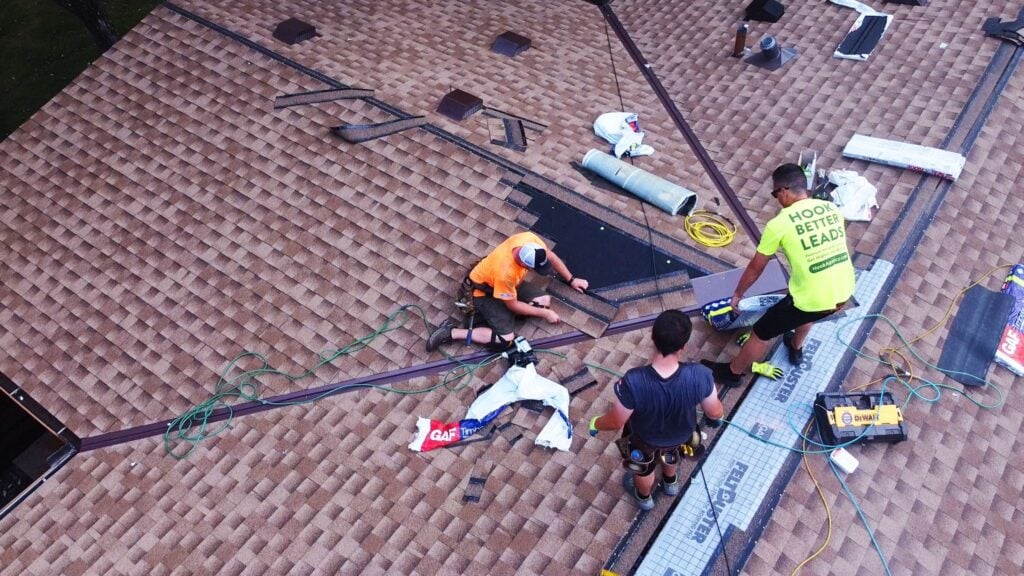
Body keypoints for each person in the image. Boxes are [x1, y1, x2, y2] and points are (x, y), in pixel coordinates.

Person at [702, 163, 856, 387]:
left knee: (762, 332)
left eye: (775, 194)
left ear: (784, 190)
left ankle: (733, 373)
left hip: (811, 297)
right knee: (807, 313)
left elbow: (757, 266)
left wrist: (737, 294)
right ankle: (795, 347)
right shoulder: (831, 209)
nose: (776, 199)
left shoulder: (780, 224)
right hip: (843, 291)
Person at [588, 310, 724, 510]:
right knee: (671, 454)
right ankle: (670, 483)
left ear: (653, 338)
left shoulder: (634, 381)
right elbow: (715, 413)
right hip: (682, 434)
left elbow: (617, 421)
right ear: (683, 346)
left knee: (643, 471)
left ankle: (644, 498)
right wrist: (716, 417)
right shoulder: (700, 375)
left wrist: (595, 423)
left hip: (644, 439)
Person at [426, 231, 589, 352]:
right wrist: (545, 314)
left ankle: (499, 317)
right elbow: (513, 306)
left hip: (505, 288)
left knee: (544, 301)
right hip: (482, 292)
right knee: (505, 340)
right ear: (524, 264)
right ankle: (452, 332)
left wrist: (571, 280)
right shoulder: (506, 272)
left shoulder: (530, 241)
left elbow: (551, 257)